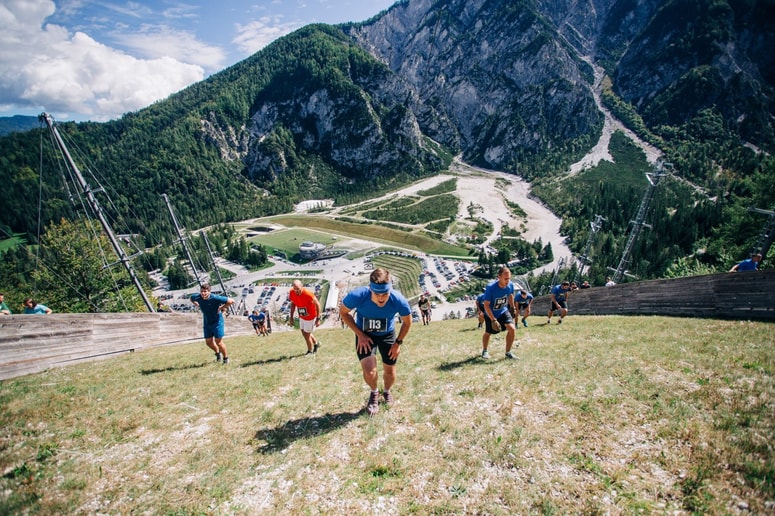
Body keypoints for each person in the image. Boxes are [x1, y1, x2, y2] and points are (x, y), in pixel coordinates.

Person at [340, 268, 412, 416]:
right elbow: (343, 312)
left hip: (387, 335)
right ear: (370, 289)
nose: (381, 298)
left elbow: (407, 322)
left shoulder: (398, 300)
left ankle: (386, 391)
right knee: (369, 371)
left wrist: (397, 343)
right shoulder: (358, 295)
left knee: (390, 371)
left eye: (384, 294)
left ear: (390, 290)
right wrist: (360, 334)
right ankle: (374, 393)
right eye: (377, 294)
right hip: (365, 334)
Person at [190, 283, 234, 364]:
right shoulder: (197, 297)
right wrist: (195, 303)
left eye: (205, 291)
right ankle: (218, 353)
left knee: (219, 342)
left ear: (209, 292)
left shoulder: (215, 298)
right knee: (208, 342)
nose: (203, 293)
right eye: (202, 291)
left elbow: (231, 301)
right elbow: (191, 298)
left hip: (217, 322)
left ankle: (226, 358)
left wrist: (222, 307)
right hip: (207, 322)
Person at [480, 265, 518, 360]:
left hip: (503, 311)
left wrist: (512, 307)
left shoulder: (510, 285)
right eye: (505, 279)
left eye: (509, 278)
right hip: (491, 313)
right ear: (499, 277)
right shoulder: (491, 288)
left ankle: (508, 352)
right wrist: (493, 320)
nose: (507, 281)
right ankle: (485, 350)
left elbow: (510, 295)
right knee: (488, 333)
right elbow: (486, 305)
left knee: (512, 329)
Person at [288, 279, 322, 355]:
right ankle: (316, 344)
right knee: (304, 333)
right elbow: (293, 304)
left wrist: (318, 318)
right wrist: (291, 317)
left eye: (298, 289)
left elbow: (318, 305)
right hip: (302, 316)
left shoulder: (308, 294)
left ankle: (310, 351)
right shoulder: (292, 292)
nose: (296, 291)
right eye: (295, 289)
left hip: (310, 317)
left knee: (306, 335)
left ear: (302, 287)